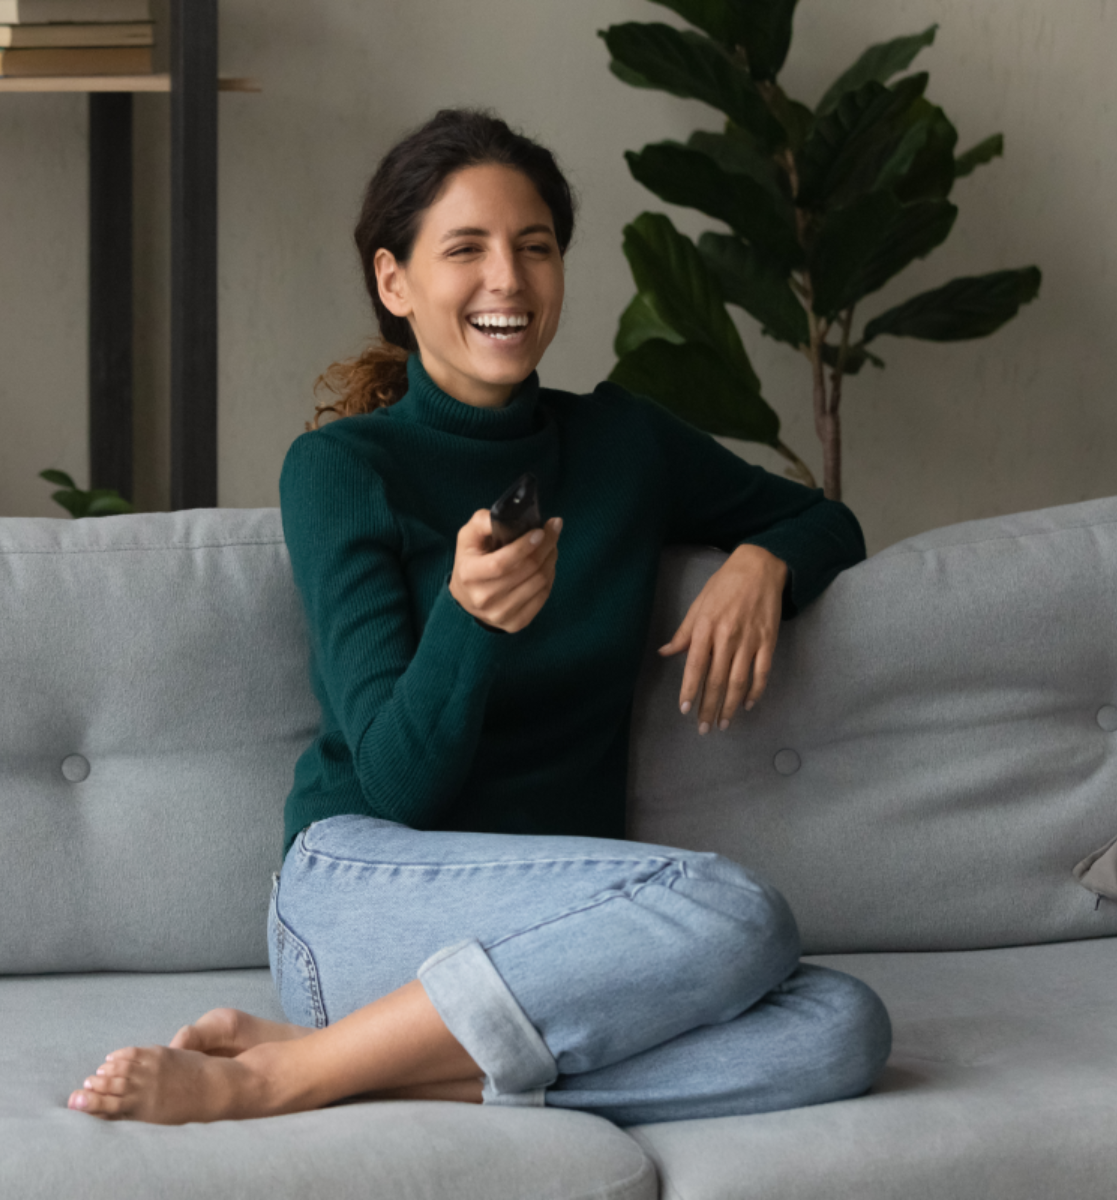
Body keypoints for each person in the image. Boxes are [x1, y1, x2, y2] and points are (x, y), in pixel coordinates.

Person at [67, 108, 891, 1125]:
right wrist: (470, 617)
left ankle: (357, 1063)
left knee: (842, 1027)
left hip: (563, 937)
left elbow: (826, 519)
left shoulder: (624, 445)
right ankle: (271, 1079)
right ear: (394, 282)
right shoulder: (342, 471)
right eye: (467, 249)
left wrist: (764, 560)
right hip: (362, 891)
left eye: (535, 248)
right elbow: (398, 783)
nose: (509, 279)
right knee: (737, 912)